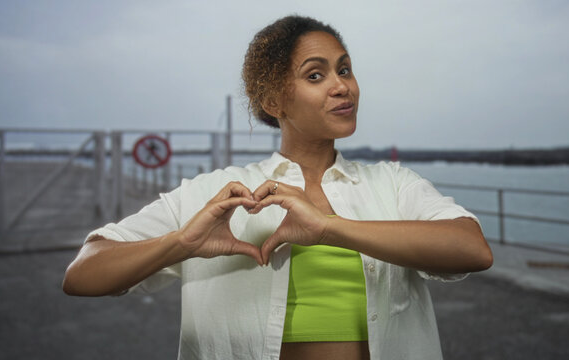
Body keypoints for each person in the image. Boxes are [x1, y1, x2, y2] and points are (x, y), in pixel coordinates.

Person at [63, 15, 493, 360]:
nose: (342, 85)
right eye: (315, 76)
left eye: (344, 69)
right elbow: (83, 275)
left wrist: (329, 228)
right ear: (273, 102)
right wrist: (183, 242)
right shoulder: (218, 195)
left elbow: (472, 249)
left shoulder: (393, 183)